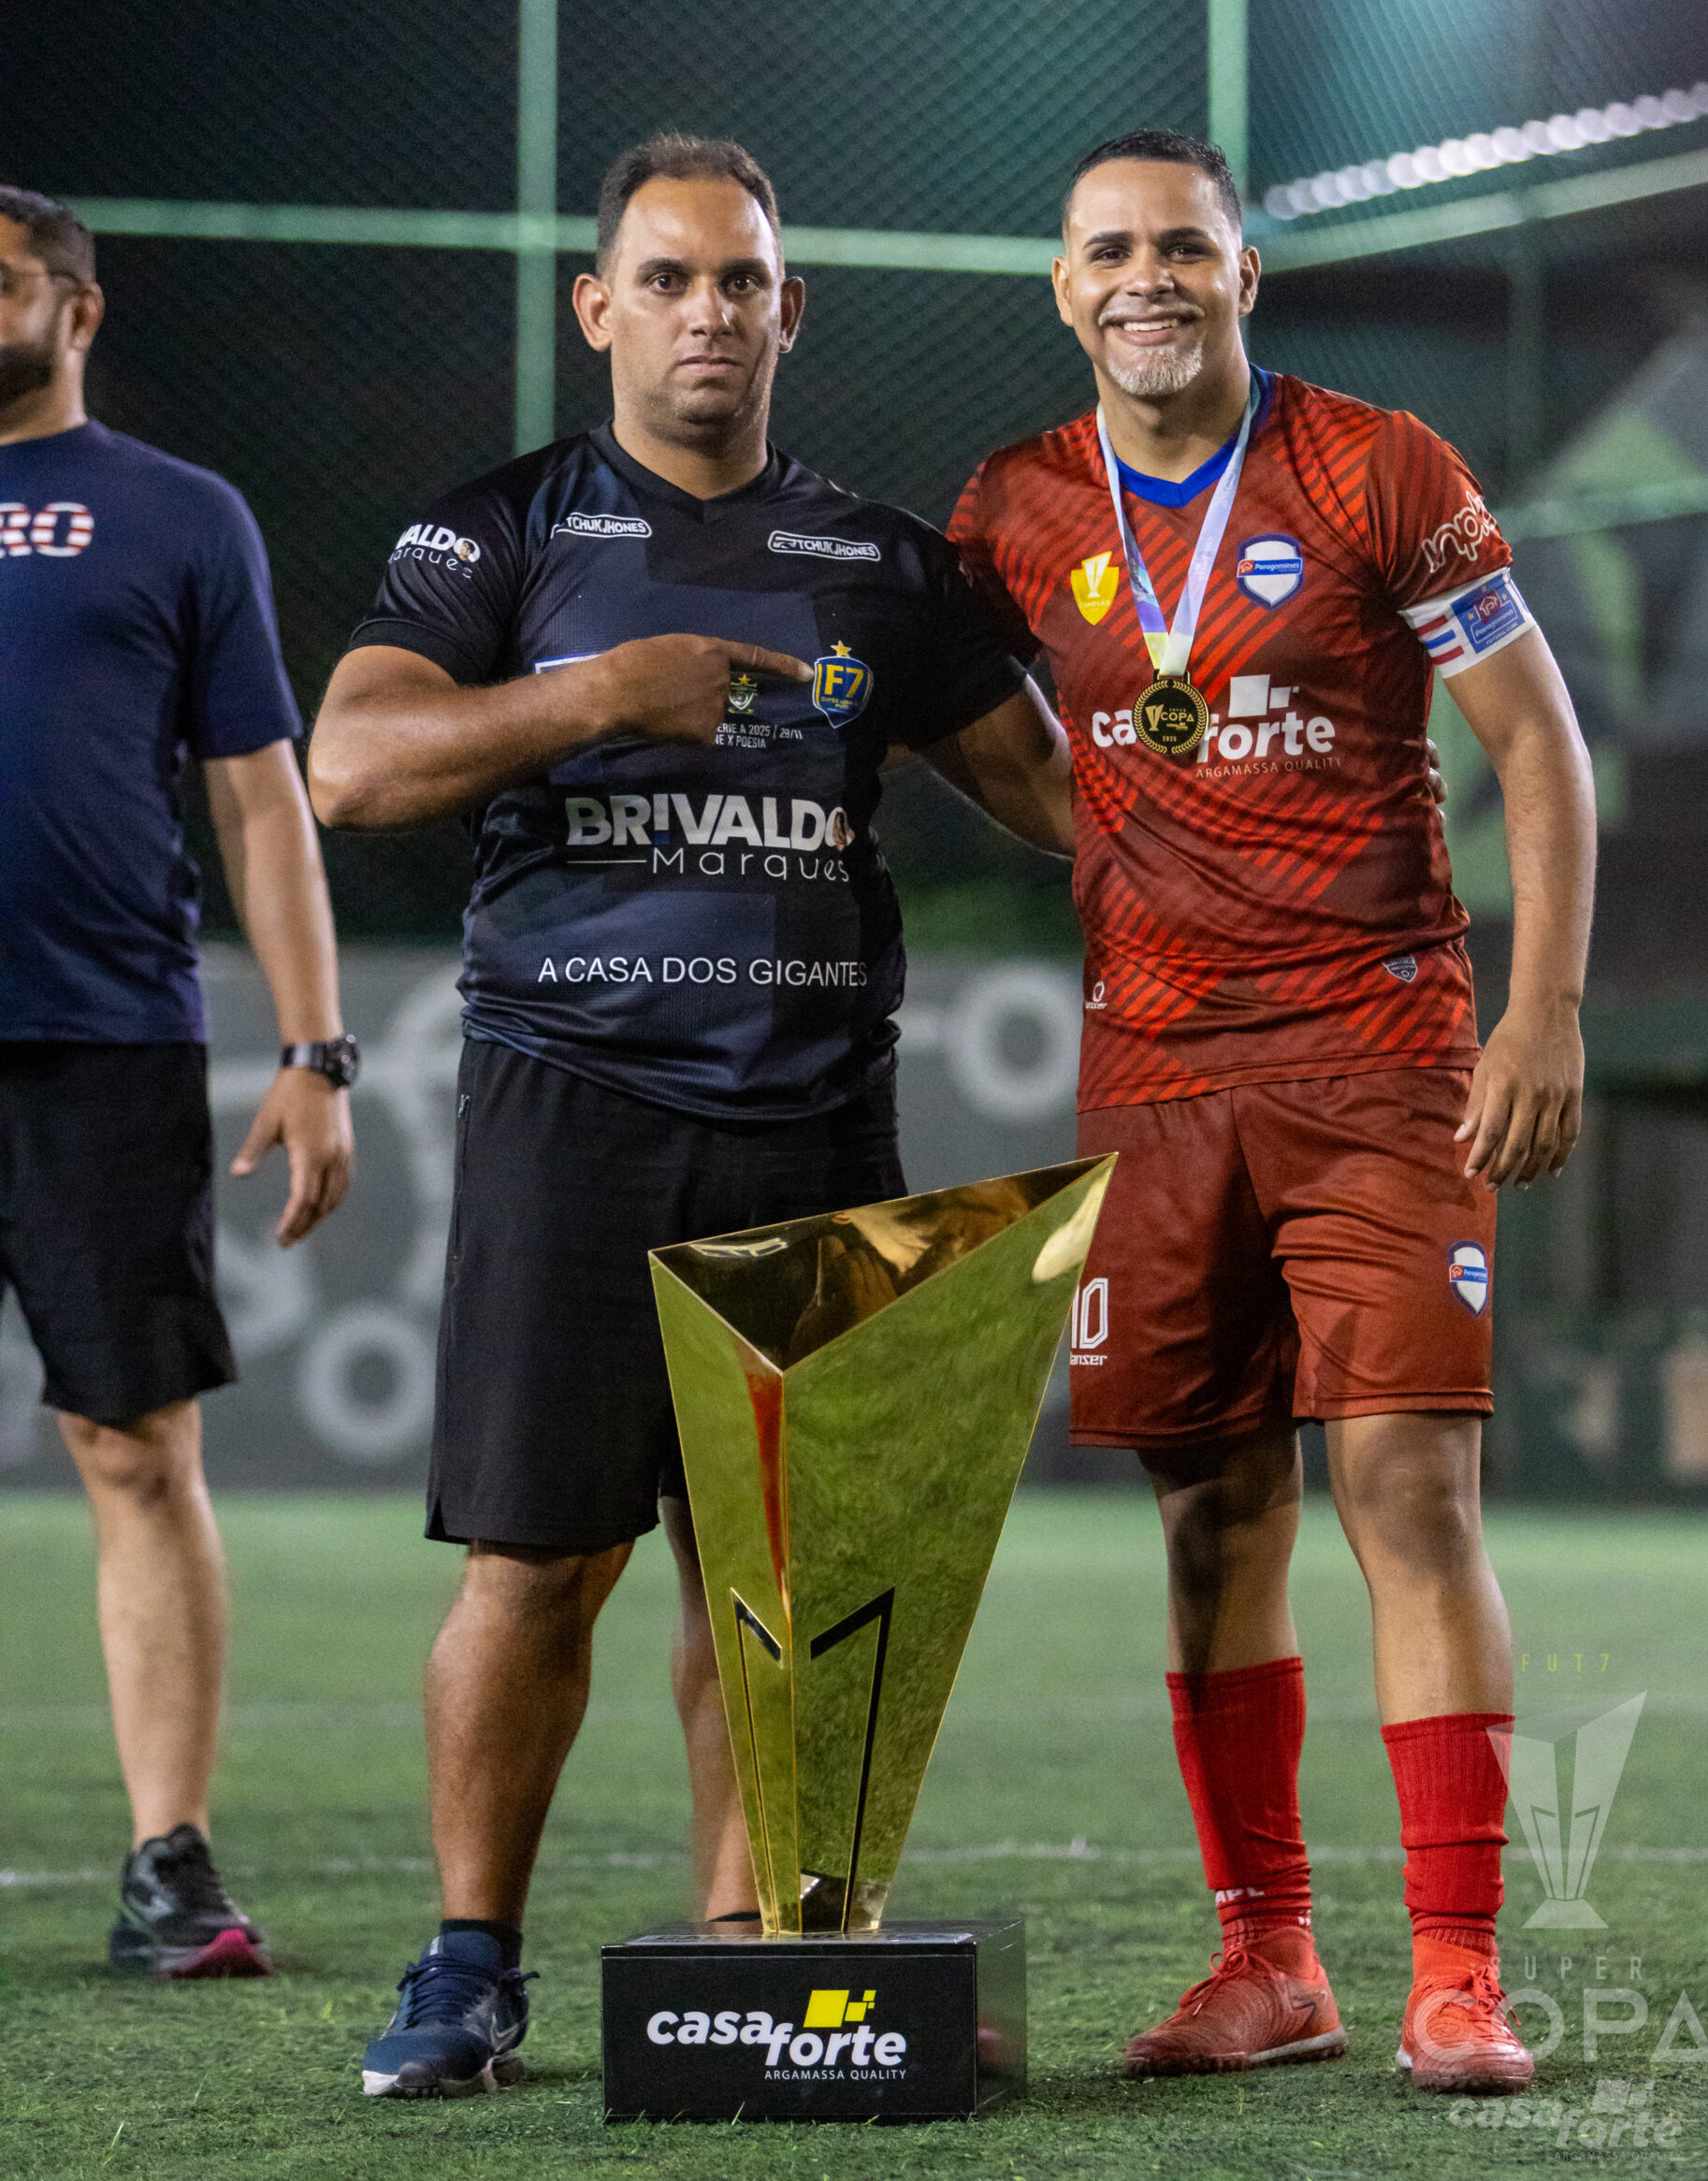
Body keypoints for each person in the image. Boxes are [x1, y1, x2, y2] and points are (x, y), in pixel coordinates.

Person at [306, 135, 1071, 2100]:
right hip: (573, 1101)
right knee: (534, 1563)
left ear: (789, 308)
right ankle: (468, 1964)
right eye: (666, 279)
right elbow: (353, 764)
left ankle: (764, 1962)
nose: (707, 312)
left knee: (790, 1576)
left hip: (815, 1116)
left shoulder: (885, 565)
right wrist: (596, 696)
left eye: (740, 280)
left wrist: (1263, 797)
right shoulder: (501, 531)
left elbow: (1072, 809)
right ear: (599, 308)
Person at [948, 131, 1595, 2096]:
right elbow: (954, 714)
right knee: (1213, 1509)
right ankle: (1269, 1961)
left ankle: (1457, 1972)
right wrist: (1113, 827)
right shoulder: (1013, 506)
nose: (1145, 277)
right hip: (1154, 1079)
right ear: (1063, 288)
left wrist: (1545, 1006)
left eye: (1183, 246)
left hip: (1380, 1054)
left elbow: (1536, 743)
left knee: (1407, 1487)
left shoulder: (1377, 467)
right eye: (1109, 250)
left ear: (1246, 275)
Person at [0, 189, 356, 1977]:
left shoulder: (179, 513)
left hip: (103, 1040)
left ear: (77, 309)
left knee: (134, 1448)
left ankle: (170, 1865)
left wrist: (314, 1048)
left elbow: (258, 798)